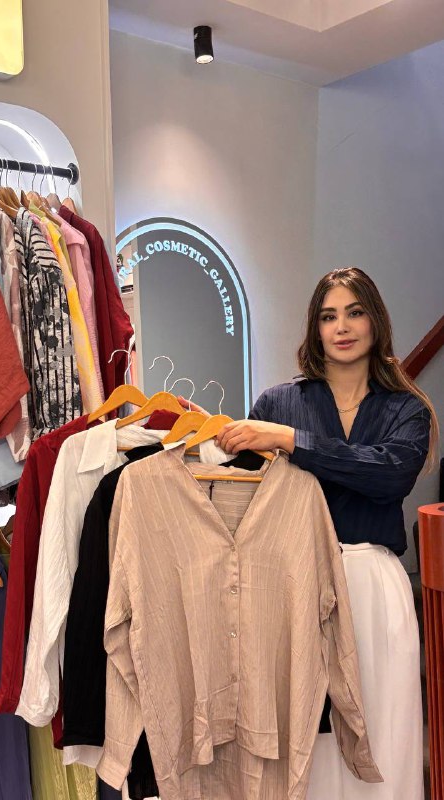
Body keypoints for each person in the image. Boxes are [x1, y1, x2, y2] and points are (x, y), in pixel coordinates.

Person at [179, 267, 439, 800]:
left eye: (354, 312)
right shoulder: (279, 403)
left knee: (382, 727)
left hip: (372, 583)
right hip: (292, 585)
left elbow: (388, 476)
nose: (341, 327)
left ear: (375, 320)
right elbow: (243, 495)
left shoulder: (405, 408)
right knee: (304, 732)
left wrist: (292, 442)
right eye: (328, 316)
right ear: (314, 328)